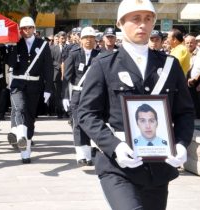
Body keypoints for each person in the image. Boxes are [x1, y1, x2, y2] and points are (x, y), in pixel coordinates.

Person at [77, 0, 194, 209]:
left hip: (158, 168)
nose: (143, 25)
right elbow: (86, 114)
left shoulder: (169, 65)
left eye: (148, 19)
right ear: (120, 23)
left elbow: (184, 112)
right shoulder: (104, 65)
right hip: (118, 166)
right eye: (136, 19)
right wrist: (114, 146)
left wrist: (182, 144)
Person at [6, 16, 53, 163]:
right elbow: (11, 63)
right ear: (20, 30)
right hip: (18, 84)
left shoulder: (43, 45)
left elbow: (48, 68)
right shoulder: (16, 43)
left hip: (34, 85)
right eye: (24, 28)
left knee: (30, 117)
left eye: (29, 28)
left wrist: (48, 88)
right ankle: (21, 138)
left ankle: (26, 145)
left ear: (34, 29)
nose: (26, 31)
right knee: (20, 108)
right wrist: (13, 45)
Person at [63, 26, 100, 166]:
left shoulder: (100, 55)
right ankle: (81, 154)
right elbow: (66, 77)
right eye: (86, 38)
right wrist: (65, 96)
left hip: (93, 95)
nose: (89, 40)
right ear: (81, 39)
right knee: (77, 123)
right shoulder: (74, 54)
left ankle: (89, 154)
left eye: (91, 38)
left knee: (91, 123)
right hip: (78, 94)